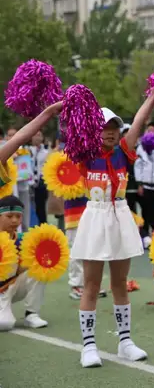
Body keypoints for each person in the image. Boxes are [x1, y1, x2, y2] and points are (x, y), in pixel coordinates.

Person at [71, 90, 154, 368]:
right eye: (104, 128)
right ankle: (88, 346)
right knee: (92, 285)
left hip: (120, 215)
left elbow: (140, 121)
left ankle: (125, 342)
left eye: (113, 128)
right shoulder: (83, 154)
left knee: (120, 283)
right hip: (95, 217)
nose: (109, 133)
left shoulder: (124, 152)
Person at [0, 103, 66, 329]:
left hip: (9, 280)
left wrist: (48, 112)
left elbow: (18, 139)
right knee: (5, 324)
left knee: (41, 252)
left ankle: (31, 312)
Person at [0, 196, 48, 331]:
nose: (15, 220)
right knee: (5, 324)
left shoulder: (23, 240)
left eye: (18, 216)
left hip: (11, 287)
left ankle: (31, 314)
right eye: (9, 216)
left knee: (41, 266)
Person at [30, 130, 49, 225]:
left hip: (41, 183)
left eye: (39, 135)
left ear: (42, 138)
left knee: (41, 208)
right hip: (29, 182)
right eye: (35, 135)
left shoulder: (46, 152)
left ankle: (43, 227)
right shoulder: (26, 150)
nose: (37, 137)